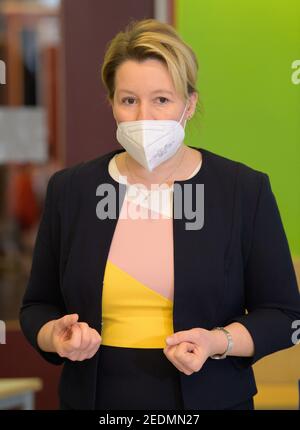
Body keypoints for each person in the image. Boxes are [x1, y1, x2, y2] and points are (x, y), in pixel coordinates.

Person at [20, 19, 300, 411]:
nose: (143, 117)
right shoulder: (72, 190)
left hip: (210, 400)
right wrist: (56, 335)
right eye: (129, 100)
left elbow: (285, 316)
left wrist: (217, 342)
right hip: (95, 400)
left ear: (189, 104)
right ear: (112, 103)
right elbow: (37, 307)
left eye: (162, 100)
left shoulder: (241, 190)